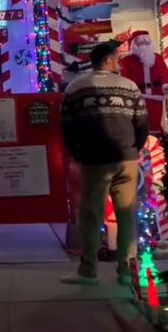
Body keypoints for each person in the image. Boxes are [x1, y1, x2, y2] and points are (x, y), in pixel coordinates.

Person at [60, 41, 148, 285]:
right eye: (116, 59)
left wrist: (77, 153)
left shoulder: (76, 87)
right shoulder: (130, 87)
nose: (118, 63)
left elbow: (66, 125)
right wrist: (133, 148)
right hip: (126, 161)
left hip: (94, 160)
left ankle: (88, 271)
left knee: (91, 215)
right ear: (108, 61)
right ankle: (127, 271)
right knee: (126, 215)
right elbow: (141, 124)